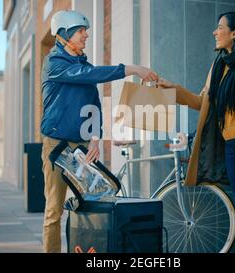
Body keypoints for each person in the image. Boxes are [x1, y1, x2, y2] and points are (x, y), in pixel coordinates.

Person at [40, 10, 158, 253]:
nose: (86, 35)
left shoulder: (84, 64)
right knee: (54, 209)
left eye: (86, 31)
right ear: (64, 34)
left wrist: (95, 138)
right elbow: (88, 75)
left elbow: (93, 104)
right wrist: (131, 69)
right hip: (56, 145)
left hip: (82, 146)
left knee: (88, 202)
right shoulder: (54, 63)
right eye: (81, 31)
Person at [158, 12, 235, 203]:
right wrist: (172, 88)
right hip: (227, 142)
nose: (214, 32)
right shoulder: (219, 65)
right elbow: (202, 102)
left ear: (234, 33)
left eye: (220, 28)